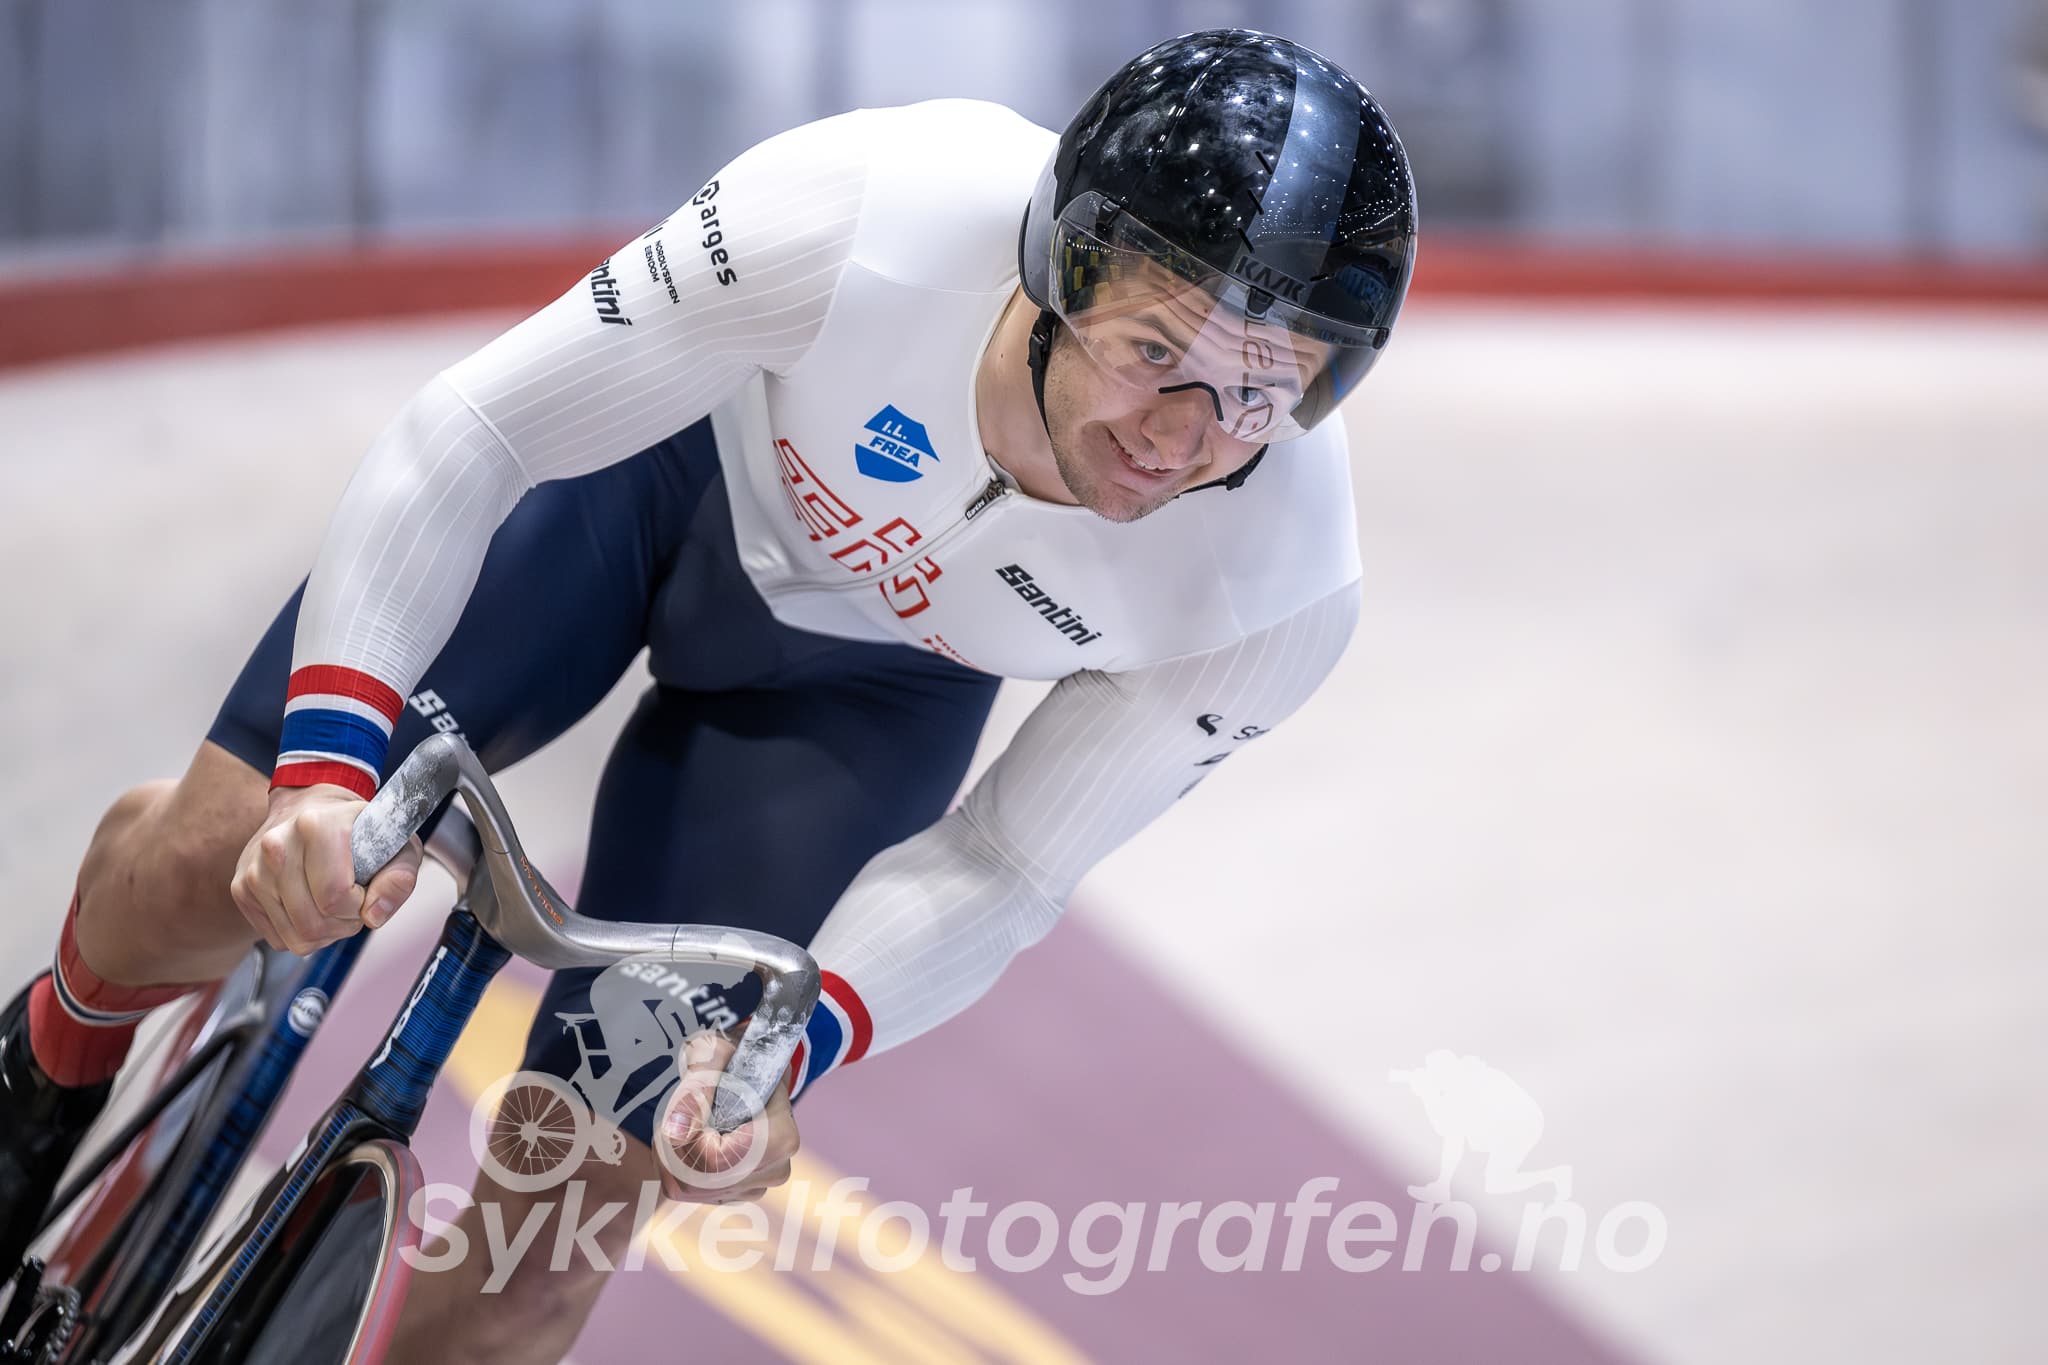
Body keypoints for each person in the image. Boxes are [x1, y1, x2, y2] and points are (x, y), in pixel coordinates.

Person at [0, 27, 1415, 1360]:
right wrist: (316, 772)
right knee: (211, 859)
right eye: (1153, 351)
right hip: (652, 490)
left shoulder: (1283, 582)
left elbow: (1011, 857)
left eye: (1260, 395)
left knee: (547, 1252)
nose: (1180, 439)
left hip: (858, 709)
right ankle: (44, 1065)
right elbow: (477, 432)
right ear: (1060, 262)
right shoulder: (871, 210)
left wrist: (793, 1044)